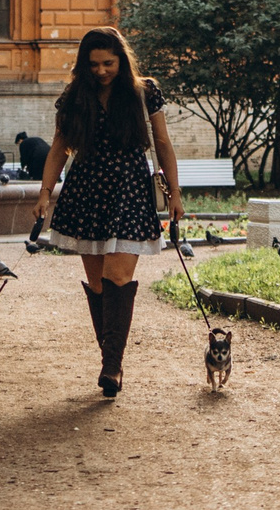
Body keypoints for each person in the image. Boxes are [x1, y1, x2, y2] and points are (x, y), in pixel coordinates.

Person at [34, 27, 182, 399]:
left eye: (109, 63)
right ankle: (110, 358)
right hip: (87, 192)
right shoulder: (74, 96)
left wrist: (175, 192)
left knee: (118, 276)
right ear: (84, 65)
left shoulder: (143, 91)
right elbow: (59, 147)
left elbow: (162, 142)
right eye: (94, 64)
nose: (101, 71)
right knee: (98, 285)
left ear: (122, 60)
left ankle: (112, 367)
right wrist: (44, 193)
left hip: (130, 190)